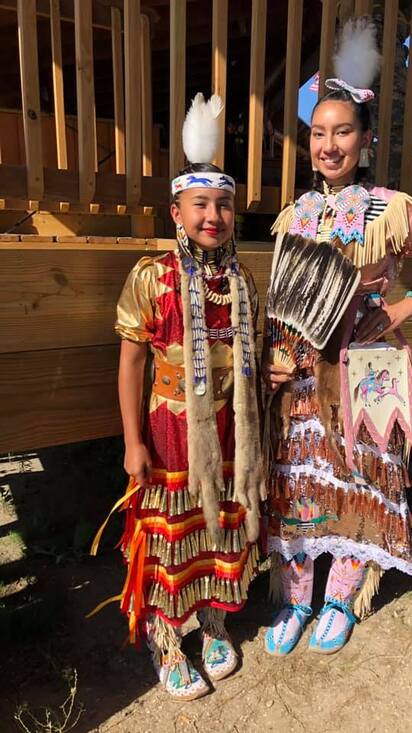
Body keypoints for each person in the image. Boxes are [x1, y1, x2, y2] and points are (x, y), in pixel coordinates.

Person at [262, 18, 412, 657]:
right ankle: (294, 598)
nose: (328, 145)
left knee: (361, 476)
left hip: (367, 366)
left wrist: (403, 306)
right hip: (303, 370)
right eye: (318, 133)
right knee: (300, 478)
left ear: (364, 142)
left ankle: (341, 596)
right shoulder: (293, 216)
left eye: (342, 133)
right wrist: (276, 358)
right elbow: (284, 299)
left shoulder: (393, 208)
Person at [91, 93, 265, 699]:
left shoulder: (240, 281)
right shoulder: (152, 278)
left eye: (223, 204)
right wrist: (132, 442)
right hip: (168, 432)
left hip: (226, 428)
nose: (212, 215)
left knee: (221, 525)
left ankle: (214, 623)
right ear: (176, 212)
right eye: (200, 204)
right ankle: (168, 641)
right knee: (169, 530)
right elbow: (132, 361)